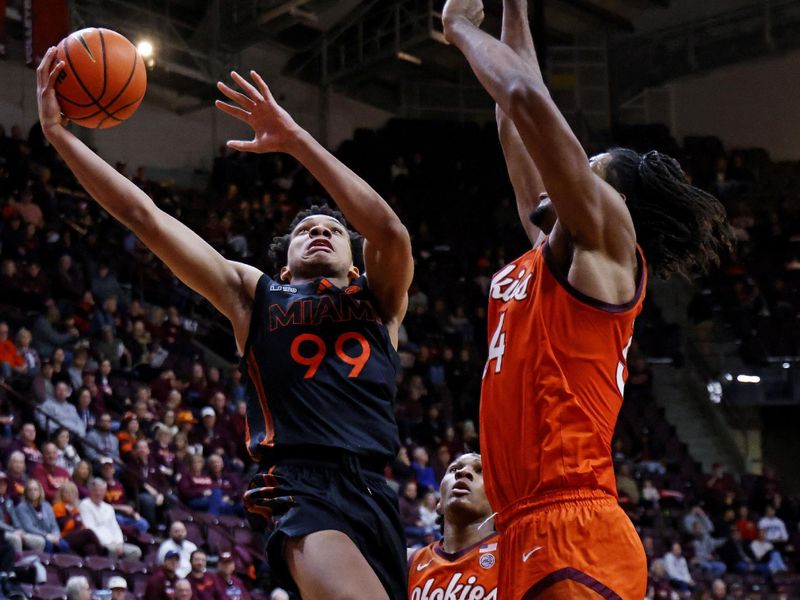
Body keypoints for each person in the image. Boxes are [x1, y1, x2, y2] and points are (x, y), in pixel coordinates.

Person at [39, 49, 413, 600]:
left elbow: (389, 231)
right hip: (301, 486)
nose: (320, 232)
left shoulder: (378, 299)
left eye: (333, 231)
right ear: (283, 267)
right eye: (306, 230)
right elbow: (145, 217)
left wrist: (295, 140)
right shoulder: (254, 295)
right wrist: (58, 136)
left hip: (376, 491)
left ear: (355, 265)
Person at [441, 0, 732, 597]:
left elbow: (525, 98)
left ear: (612, 203)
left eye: (587, 167)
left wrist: (459, 29)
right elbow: (513, 117)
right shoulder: (554, 254)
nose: (563, 173)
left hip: (573, 523)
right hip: (522, 525)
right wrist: (515, 8)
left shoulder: (609, 242)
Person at [408, 453, 498, 600]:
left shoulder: (515, 558)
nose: (463, 472)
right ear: (440, 503)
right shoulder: (409, 562)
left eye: (480, 471)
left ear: (500, 501)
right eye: (454, 469)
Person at [78, 478, 142, 559]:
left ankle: (122, 567)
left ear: (105, 491)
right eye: (95, 490)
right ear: (90, 491)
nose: (98, 493)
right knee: (112, 550)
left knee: (136, 551)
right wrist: (107, 543)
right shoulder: (84, 505)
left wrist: (119, 542)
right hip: (99, 542)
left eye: (101, 490)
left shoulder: (109, 508)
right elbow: (89, 528)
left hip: (114, 543)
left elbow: (115, 527)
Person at [14, 479, 70, 553]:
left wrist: (56, 536)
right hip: (34, 536)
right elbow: (28, 527)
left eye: (35, 489)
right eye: (30, 490)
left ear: (40, 491)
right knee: (49, 545)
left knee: (64, 545)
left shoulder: (47, 505)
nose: (33, 492)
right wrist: (46, 535)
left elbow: (54, 524)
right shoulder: (21, 507)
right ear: (26, 492)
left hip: (51, 535)